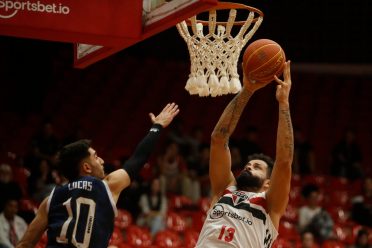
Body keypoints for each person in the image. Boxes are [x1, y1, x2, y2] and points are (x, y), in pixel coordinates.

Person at [16, 103, 179, 248]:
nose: (101, 160)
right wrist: (157, 126)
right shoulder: (106, 186)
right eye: (95, 156)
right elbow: (138, 159)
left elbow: (25, 244)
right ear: (86, 167)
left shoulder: (50, 200)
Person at [195, 61, 294, 248]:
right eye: (249, 164)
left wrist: (283, 103)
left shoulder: (271, 204)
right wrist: (247, 90)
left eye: (257, 167)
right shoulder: (224, 188)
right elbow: (218, 138)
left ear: (268, 183)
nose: (249, 166)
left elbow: (284, 161)